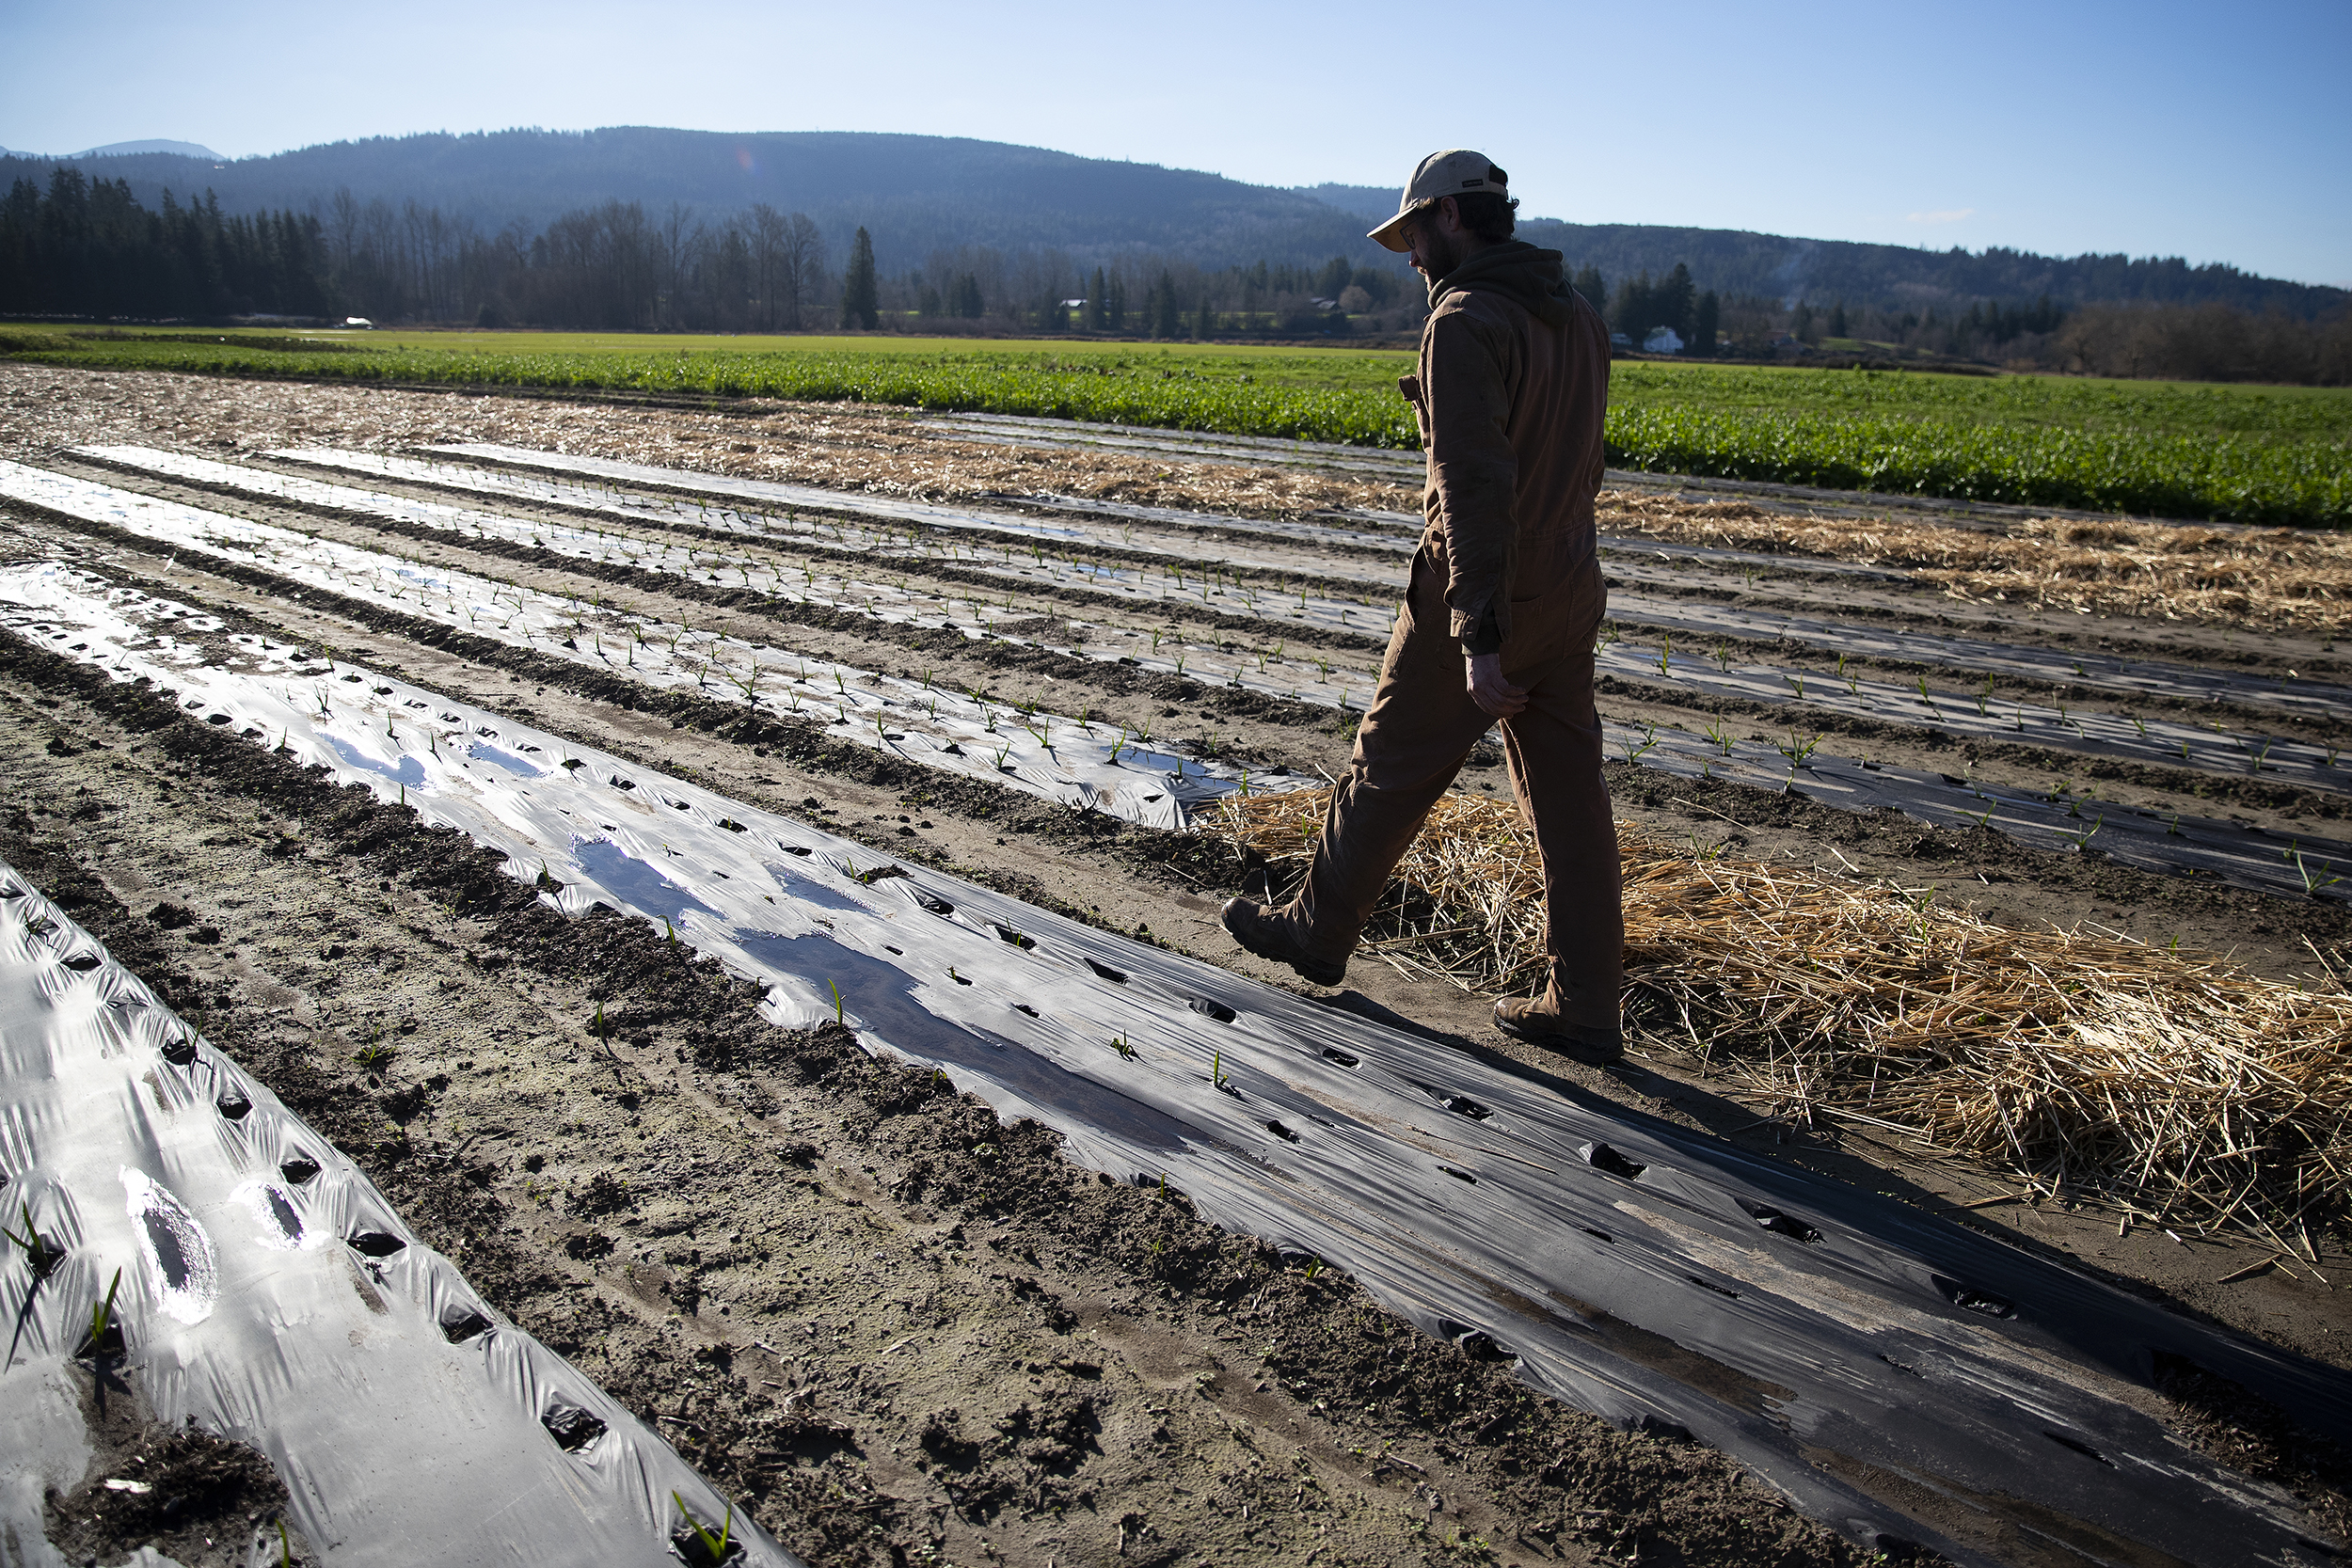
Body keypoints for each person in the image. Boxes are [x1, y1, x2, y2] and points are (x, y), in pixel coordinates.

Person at [1219, 149, 1625, 1060]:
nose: (1408, 258)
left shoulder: (1464, 321)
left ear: (1449, 216)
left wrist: (1477, 631)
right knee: (1570, 804)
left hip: (1479, 594)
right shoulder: (1580, 319)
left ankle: (1317, 931)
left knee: (1388, 763)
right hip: (1568, 590)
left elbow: (1472, 483)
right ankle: (1588, 1004)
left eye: (1413, 235)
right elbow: (1581, 465)